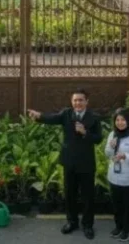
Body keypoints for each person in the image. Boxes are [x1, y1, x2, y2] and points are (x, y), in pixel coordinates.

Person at [28, 88, 103, 240]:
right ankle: (72, 222)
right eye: (75, 100)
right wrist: (39, 116)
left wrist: (85, 133)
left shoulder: (94, 117)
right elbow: (52, 118)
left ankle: (87, 225)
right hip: (69, 162)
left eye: (81, 100)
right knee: (70, 194)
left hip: (86, 163)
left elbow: (98, 138)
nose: (78, 103)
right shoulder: (66, 114)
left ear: (87, 102)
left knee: (88, 196)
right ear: (71, 102)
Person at [104, 108, 129, 242]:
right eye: (117, 120)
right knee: (117, 205)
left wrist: (125, 155)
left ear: (128, 121)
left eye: (123, 120)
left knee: (128, 206)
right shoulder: (112, 135)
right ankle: (118, 227)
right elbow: (108, 154)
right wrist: (110, 147)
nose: (120, 123)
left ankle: (127, 230)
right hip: (114, 177)